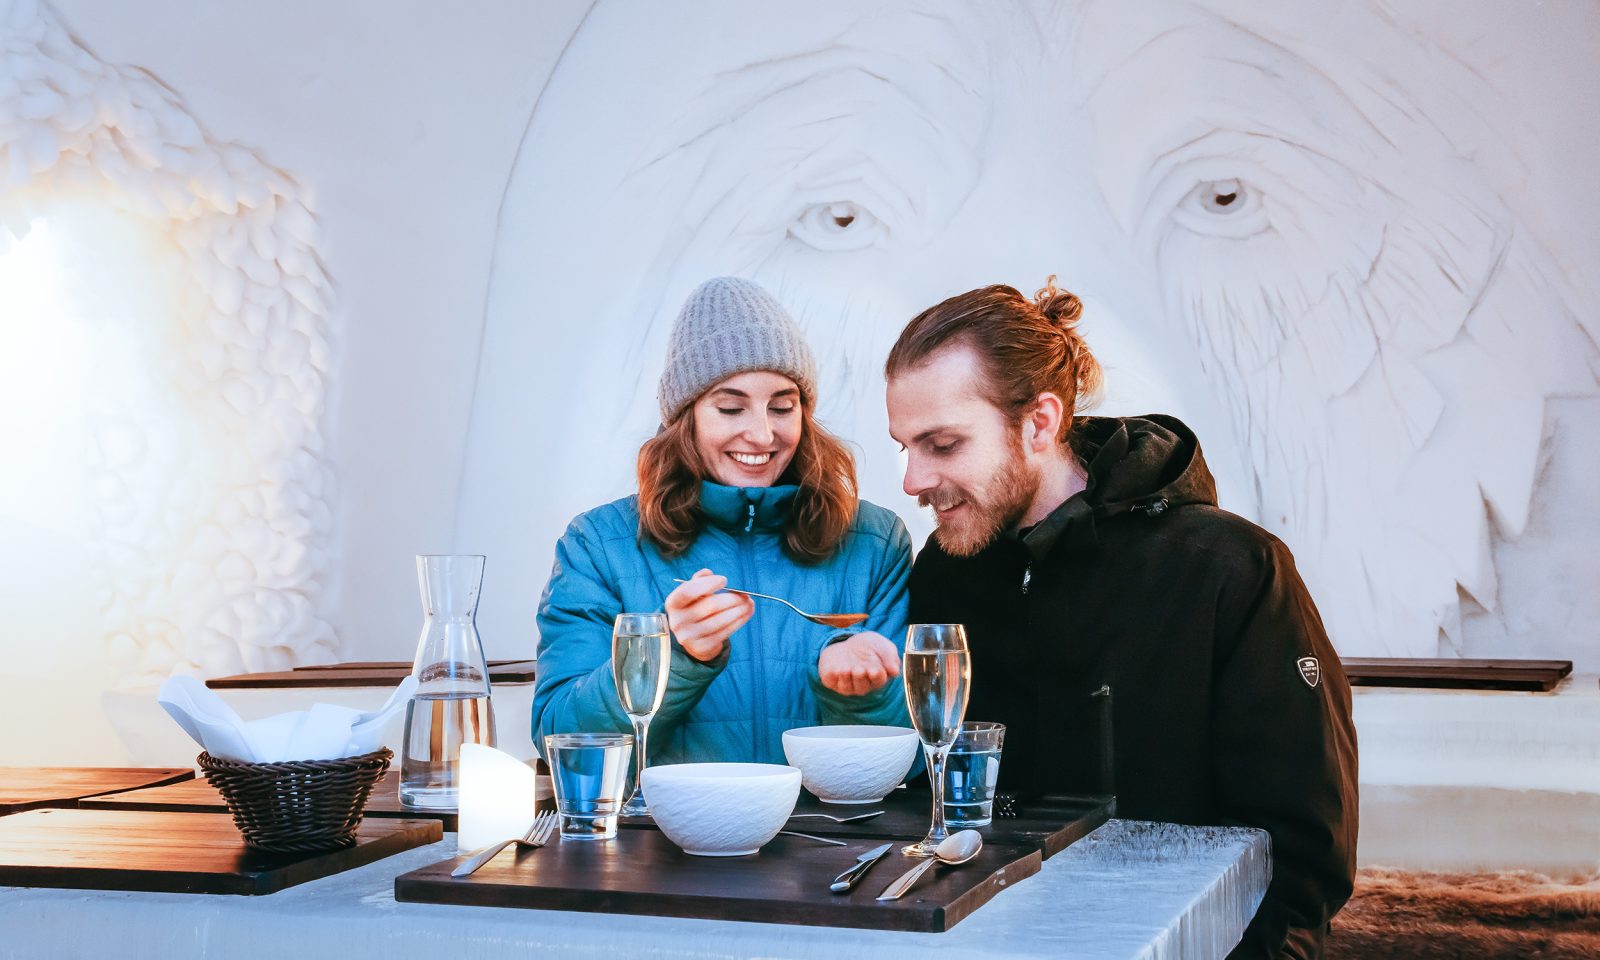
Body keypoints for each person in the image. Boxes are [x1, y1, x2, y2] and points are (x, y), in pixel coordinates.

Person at [884, 279, 1358, 959]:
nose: (913, 481)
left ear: (1039, 423)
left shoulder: (1230, 569)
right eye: (906, 447)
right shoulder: (946, 568)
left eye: (943, 444)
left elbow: (1304, 857)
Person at [532, 276, 911, 766]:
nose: (762, 433)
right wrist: (671, 656)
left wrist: (862, 695)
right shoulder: (599, 546)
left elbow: (919, 754)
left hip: (832, 840)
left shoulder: (874, 544)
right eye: (731, 408)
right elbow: (560, 740)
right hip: (664, 839)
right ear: (685, 417)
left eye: (782, 406)